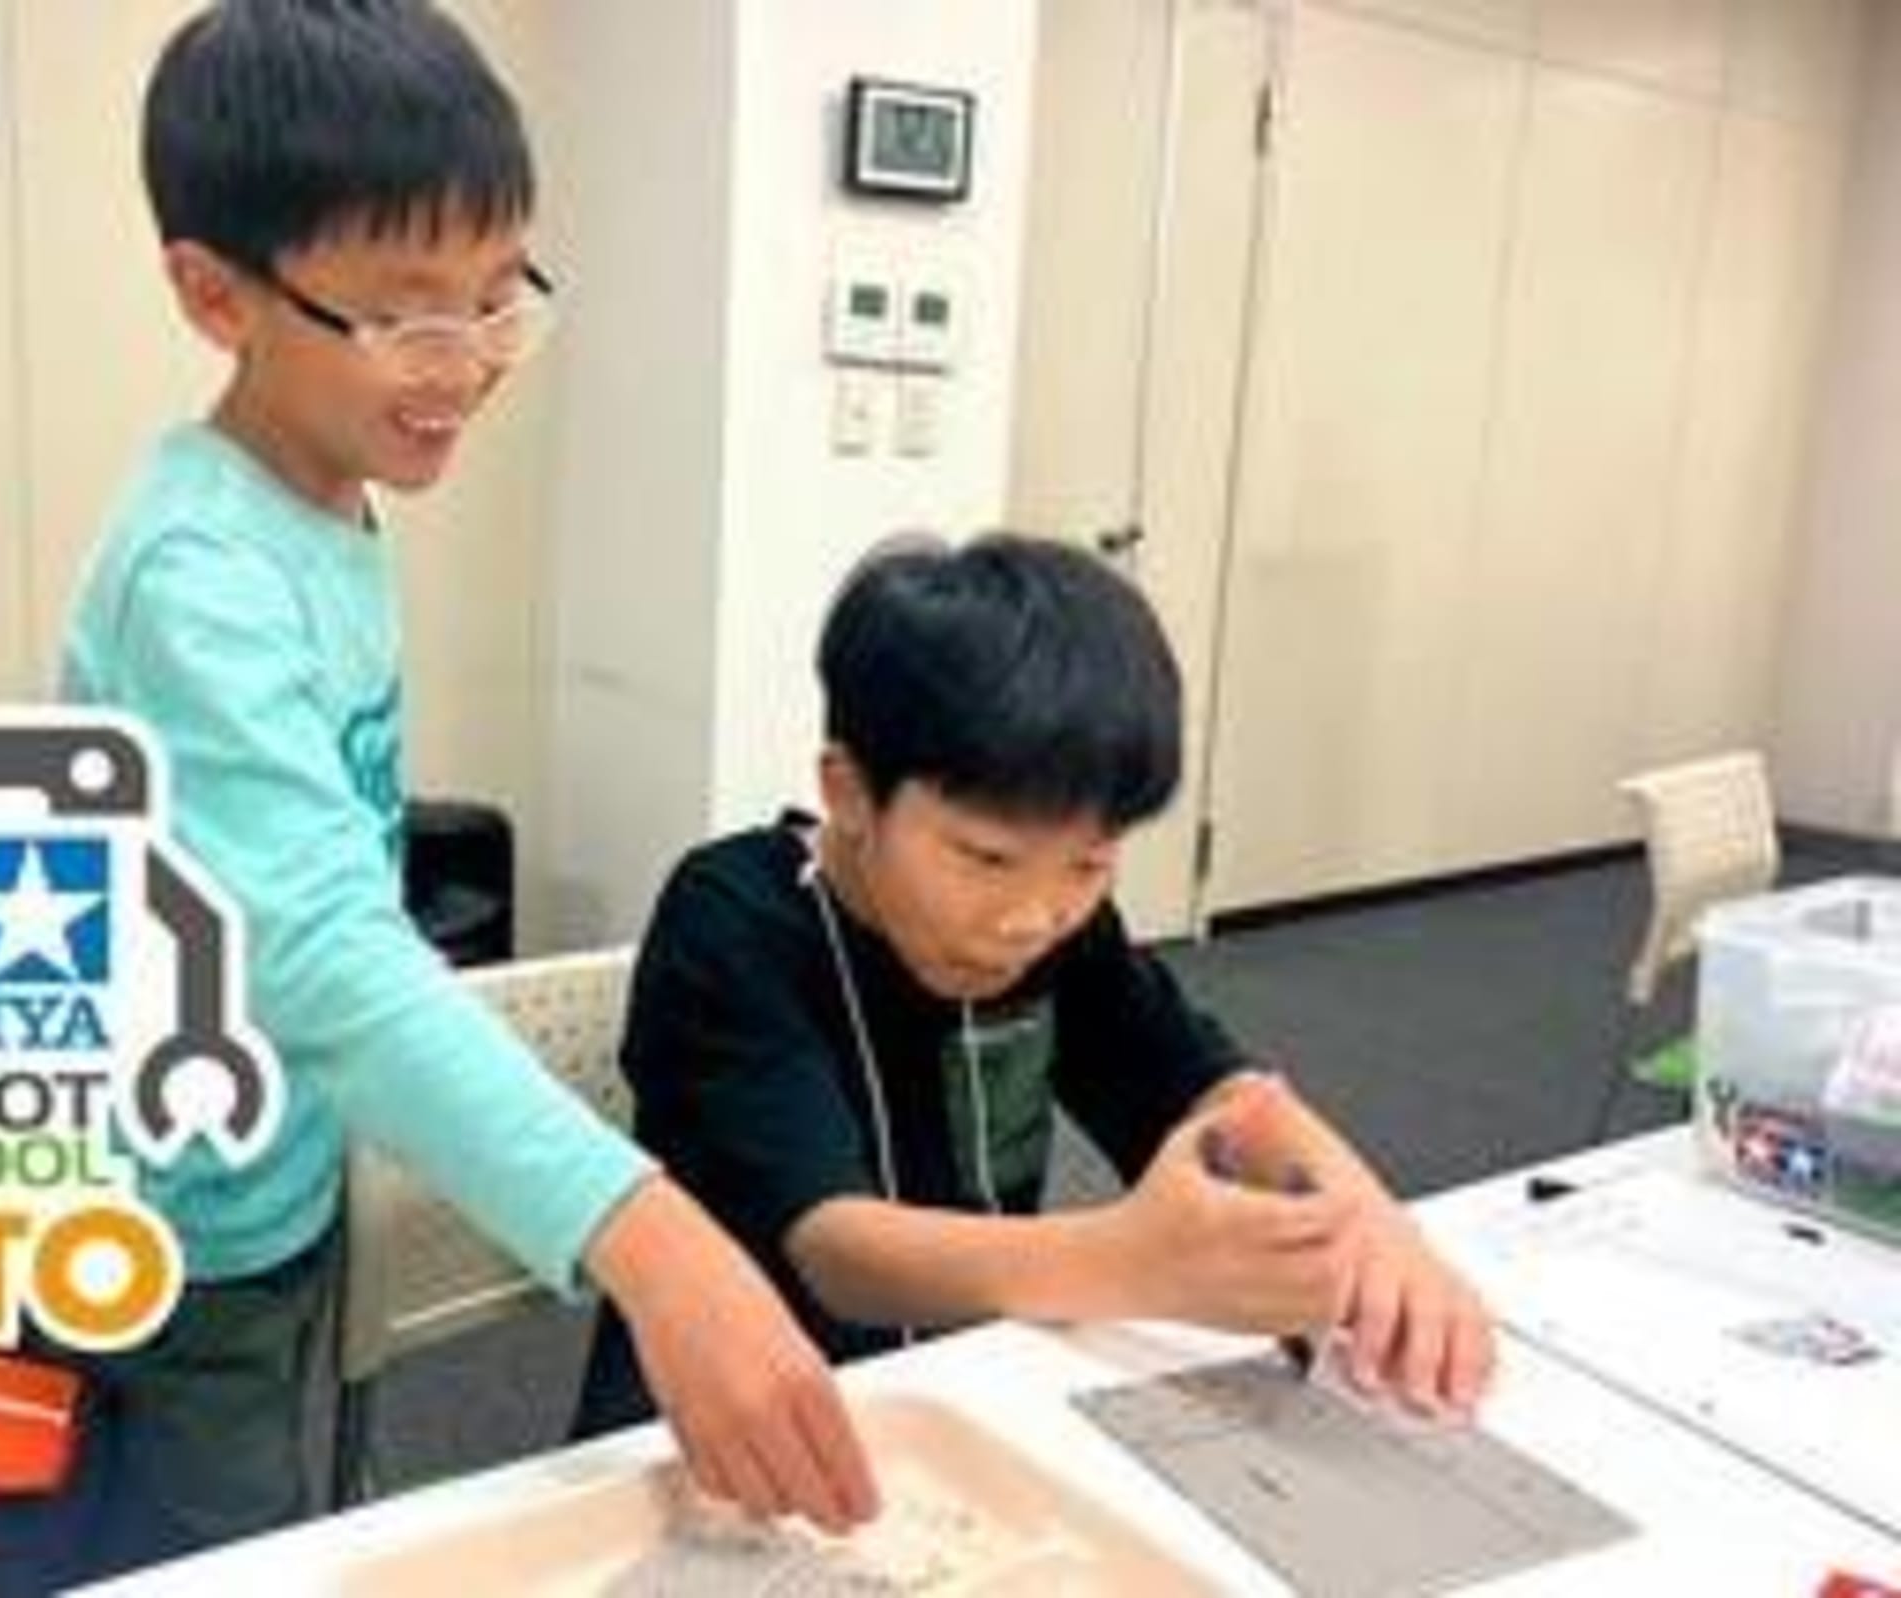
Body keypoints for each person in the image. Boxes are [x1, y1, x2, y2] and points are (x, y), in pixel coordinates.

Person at [57, 0, 873, 1571]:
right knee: (206, 1546)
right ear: (217, 295)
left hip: (266, 1155)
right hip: (161, 1209)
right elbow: (316, 952)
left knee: (269, 1493)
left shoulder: (324, 496)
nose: (471, 364)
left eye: (500, 298)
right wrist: (649, 1233)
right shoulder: (196, 576)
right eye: (408, 316)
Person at [574, 533, 1494, 1436]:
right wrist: (1133, 1262)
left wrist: (1372, 1225)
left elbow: (1214, 1095)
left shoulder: (1058, 924)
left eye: (1090, 863)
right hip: (722, 1414)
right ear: (850, 793)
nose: (1033, 917)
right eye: (986, 858)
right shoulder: (734, 919)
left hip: (967, 1382)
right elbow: (836, 1251)